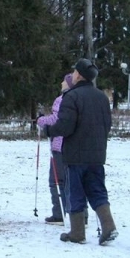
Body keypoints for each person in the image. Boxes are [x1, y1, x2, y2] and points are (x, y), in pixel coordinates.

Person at [43, 58, 117, 245]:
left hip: (76, 156)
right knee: (97, 190)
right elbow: (107, 125)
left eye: (75, 71)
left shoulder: (72, 97)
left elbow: (65, 126)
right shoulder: (101, 97)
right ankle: (108, 227)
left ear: (78, 75)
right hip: (97, 155)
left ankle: (77, 233)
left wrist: (49, 130)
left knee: (74, 192)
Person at [37, 73, 74, 225]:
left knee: (56, 181)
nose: (61, 83)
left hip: (59, 145)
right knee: (72, 181)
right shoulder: (78, 99)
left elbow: (56, 119)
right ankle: (79, 214)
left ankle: (59, 213)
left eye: (64, 81)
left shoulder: (62, 100)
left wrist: (40, 120)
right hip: (73, 146)